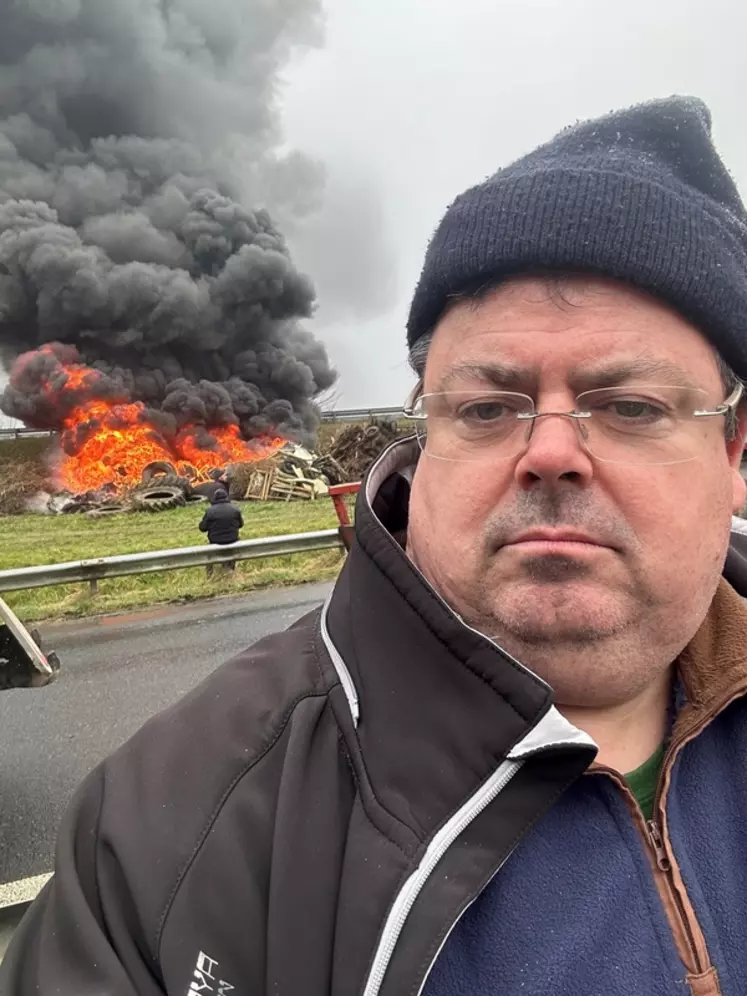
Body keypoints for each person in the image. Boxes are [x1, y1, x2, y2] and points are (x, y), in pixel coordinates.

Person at [4, 96, 747, 996]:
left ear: (732, 449)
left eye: (629, 407)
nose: (550, 452)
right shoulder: (167, 832)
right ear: (426, 434)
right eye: (486, 407)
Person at [198, 488, 243, 576]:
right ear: (226, 497)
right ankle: (231, 571)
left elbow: (202, 528)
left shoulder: (210, 511)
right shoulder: (235, 510)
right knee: (232, 551)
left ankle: (210, 575)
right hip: (233, 540)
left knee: (209, 555)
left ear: (214, 499)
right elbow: (241, 524)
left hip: (215, 542)